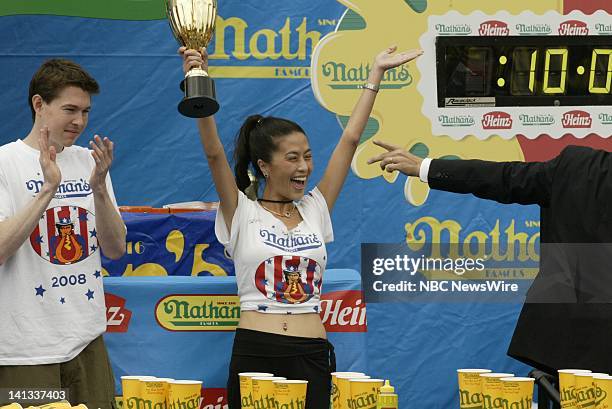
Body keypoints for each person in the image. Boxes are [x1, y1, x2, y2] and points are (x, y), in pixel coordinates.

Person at [180, 46, 422, 408]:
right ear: (264, 166)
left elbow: (349, 141)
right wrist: (198, 82)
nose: (304, 167)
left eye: (308, 156)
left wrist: (376, 75)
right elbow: (215, 153)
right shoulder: (241, 210)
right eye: (292, 158)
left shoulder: (316, 208)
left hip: (310, 352)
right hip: (256, 353)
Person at [367, 140, 612, 374]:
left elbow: (503, 177)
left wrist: (424, 167)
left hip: (566, 354)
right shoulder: (577, 168)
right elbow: (502, 176)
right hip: (571, 351)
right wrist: (427, 168)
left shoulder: (578, 166)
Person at [0, 59, 126, 409]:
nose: (79, 121)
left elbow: (115, 249)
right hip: (25, 350)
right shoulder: (5, 162)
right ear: (39, 104)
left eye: (85, 111)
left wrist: (99, 188)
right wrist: (47, 191)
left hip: (86, 340)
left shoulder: (88, 161)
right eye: (70, 109)